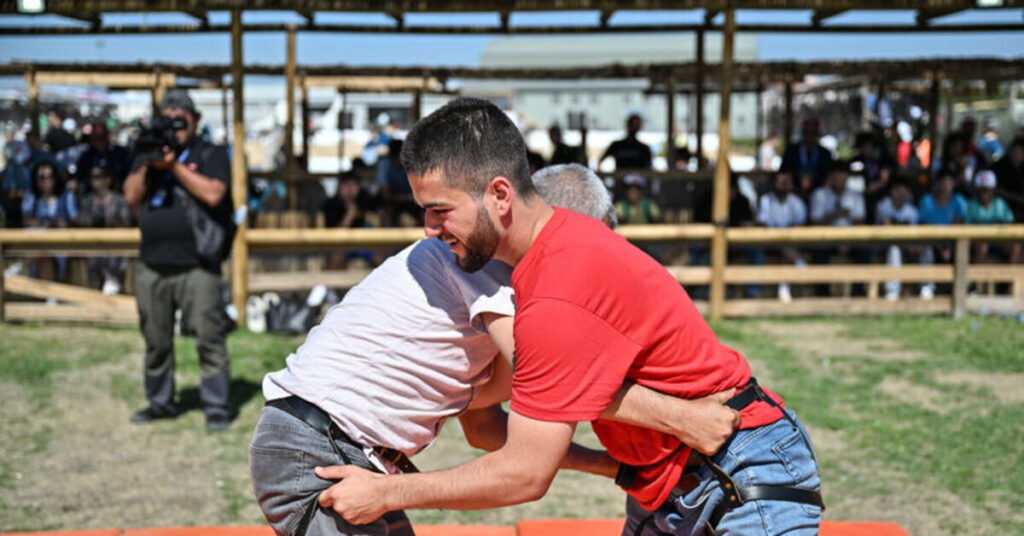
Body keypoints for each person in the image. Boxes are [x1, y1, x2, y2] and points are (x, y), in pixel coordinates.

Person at [316, 97, 822, 535]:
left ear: (500, 195)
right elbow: (498, 409)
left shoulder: (557, 290)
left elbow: (523, 473)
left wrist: (387, 493)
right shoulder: (539, 272)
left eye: (440, 210)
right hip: (670, 475)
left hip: (738, 467)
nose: (428, 230)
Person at [250, 162, 740, 536]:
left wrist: (613, 467)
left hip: (344, 448)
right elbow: (554, 379)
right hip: (317, 446)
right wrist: (680, 418)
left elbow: (487, 429)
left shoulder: (493, 288)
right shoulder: (490, 269)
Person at [123, 89, 236, 432]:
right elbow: (130, 196)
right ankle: (160, 402)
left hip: (198, 266)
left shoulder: (210, 152)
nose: (174, 128)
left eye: (181, 122)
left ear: (195, 122)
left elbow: (215, 193)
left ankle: (216, 407)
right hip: (152, 263)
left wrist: (174, 165)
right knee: (156, 339)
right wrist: (149, 161)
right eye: (167, 120)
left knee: (209, 338)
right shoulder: (148, 156)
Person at [809, 163, 867, 296]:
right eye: (837, 177)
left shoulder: (855, 196)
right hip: (826, 239)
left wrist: (847, 239)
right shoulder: (820, 194)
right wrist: (833, 215)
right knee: (819, 252)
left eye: (843, 177)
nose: (840, 180)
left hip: (851, 239)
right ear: (831, 178)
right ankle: (823, 295)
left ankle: (857, 293)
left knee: (865, 251)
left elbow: (860, 222)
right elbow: (814, 222)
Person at [77, 164, 132, 293]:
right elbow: (82, 223)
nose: (94, 181)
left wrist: (112, 223)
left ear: (108, 179)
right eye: (92, 177)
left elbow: (127, 223)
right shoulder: (87, 201)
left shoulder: (119, 200)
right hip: (93, 245)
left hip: (116, 245)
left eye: (98, 177)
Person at [917, 169, 969, 298]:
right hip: (931, 241)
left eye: (949, 182)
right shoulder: (927, 200)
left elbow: (959, 225)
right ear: (937, 184)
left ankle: (965, 287)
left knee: (962, 249)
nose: (946, 185)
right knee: (926, 250)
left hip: (951, 242)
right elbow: (925, 227)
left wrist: (947, 246)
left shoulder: (958, 200)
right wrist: (940, 246)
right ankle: (926, 286)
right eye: (943, 182)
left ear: (954, 184)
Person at [757, 171, 808, 302]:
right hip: (769, 241)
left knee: (785, 249)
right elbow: (764, 224)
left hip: (790, 241)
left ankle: (784, 289)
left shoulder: (796, 201)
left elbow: (799, 225)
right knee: (783, 245)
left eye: (786, 182)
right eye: (780, 182)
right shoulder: (766, 200)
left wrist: (784, 234)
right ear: (774, 184)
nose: (783, 186)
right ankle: (800, 265)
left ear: (791, 185)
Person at [875, 180, 920, 301]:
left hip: (906, 245)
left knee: (925, 250)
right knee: (894, 249)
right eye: (899, 191)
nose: (902, 194)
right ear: (892, 192)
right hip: (882, 245)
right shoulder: (884, 205)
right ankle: (892, 291)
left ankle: (926, 288)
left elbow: (913, 234)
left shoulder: (912, 210)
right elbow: (887, 228)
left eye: (905, 191)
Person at [966, 170, 1018, 264]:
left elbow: (1009, 225)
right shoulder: (971, 205)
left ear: (993, 189)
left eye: (987, 189)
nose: (984, 193)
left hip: (998, 241)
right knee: (982, 247)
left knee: (1015, 247)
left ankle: (1011, 278)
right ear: (976, 190)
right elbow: (965, 229)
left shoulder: (1000, 204)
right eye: (981, 189)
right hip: (978, 242)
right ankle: (977, 278)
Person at [780, 118, 835, 199]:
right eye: (807, 133)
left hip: (819, 192)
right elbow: (784, 171)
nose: (810, 137)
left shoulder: (825, 153)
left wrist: (813, 180)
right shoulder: (791, 151)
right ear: (803, 133)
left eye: (813, 133)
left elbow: (829, 174)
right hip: (794, 191)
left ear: (817, 134)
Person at [75, 121, 131, 192]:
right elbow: (80, 177)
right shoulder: (86, 157)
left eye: (102, 137)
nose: (100, 142)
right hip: (91, 197)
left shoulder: (120, 153)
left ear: (107, 136)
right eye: (97, 137)